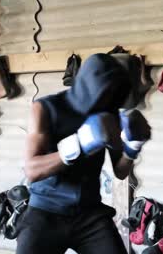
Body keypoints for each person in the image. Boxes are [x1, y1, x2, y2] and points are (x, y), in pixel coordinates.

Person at [19, 53, 151, 254]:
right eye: (104, 92)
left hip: (89, 214)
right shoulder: (45, 108)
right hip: (46, 211)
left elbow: (121, 171)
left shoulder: (108, 114)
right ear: (89, 87)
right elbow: (31, 170)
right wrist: (78, 145)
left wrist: (133, 146)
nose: (107, 100)